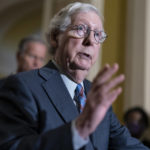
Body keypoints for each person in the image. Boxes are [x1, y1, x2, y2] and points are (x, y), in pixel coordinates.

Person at [0, 2, 149, 150]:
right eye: (80, 29)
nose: (90, 40)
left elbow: (128, 146)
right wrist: (79, 130)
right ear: (55, 37)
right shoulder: (22, 86)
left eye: (98, 35)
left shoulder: (96, 94)